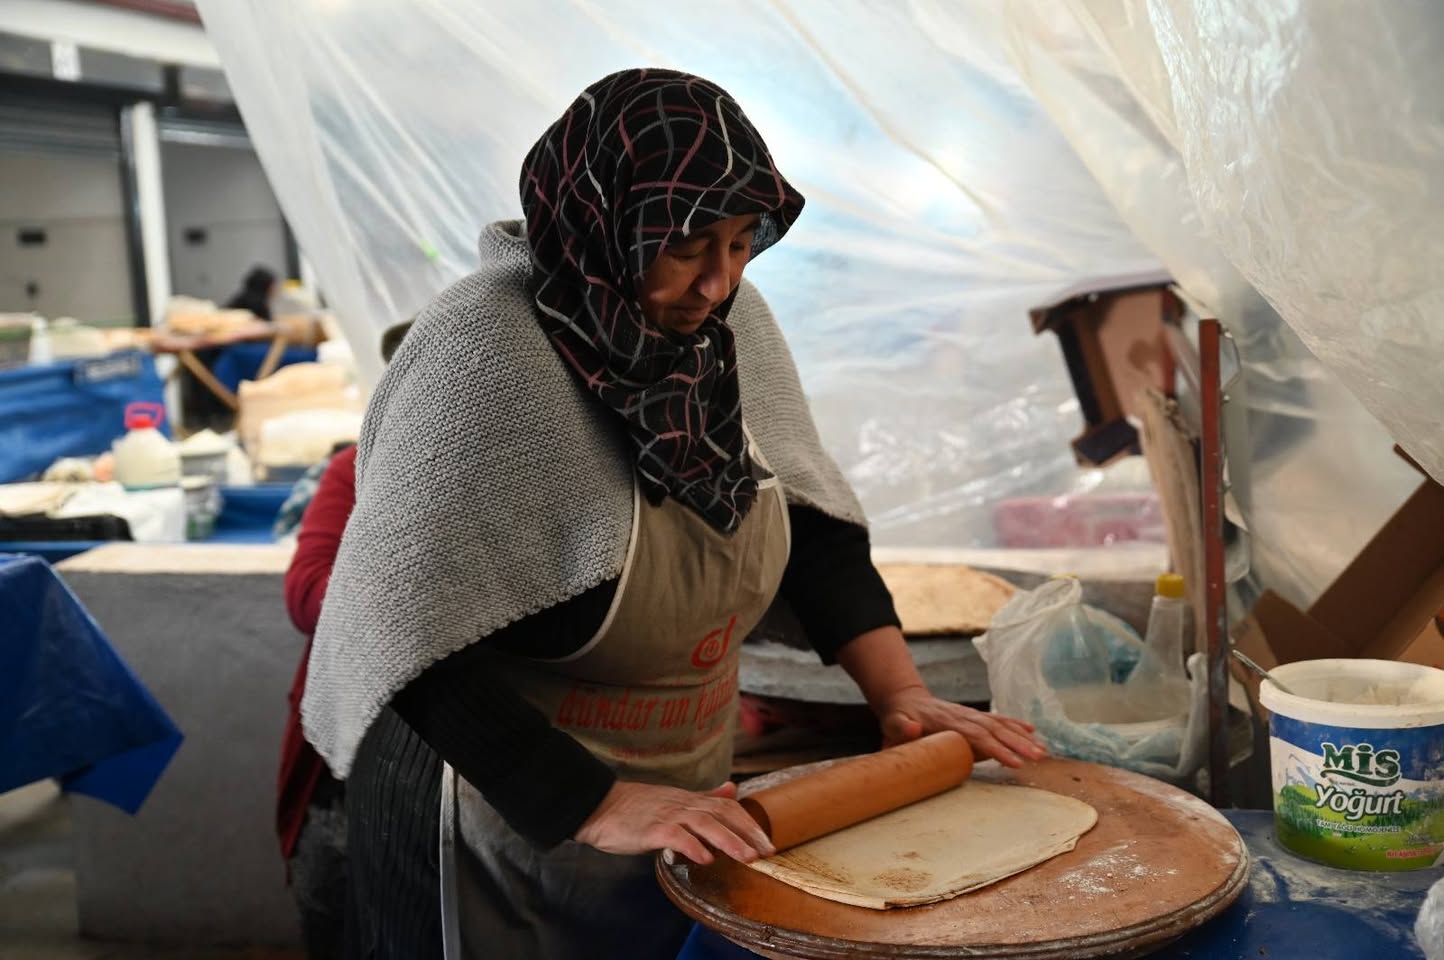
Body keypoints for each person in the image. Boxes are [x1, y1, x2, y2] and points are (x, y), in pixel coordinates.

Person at [302, 68, 1045, 960]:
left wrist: (902, 695)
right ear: (606, 219)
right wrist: (597, 803)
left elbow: (807, 522)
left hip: (683, 791)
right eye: (690, 245)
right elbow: (399, 627)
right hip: (489, 800)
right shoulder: (485, 352)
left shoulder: (728, 331)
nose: (718, 284)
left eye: (742, 245)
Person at [277, 322, 412, 959]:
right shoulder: (356, 470)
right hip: (347, 771)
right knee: (340, 922)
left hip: (461, 785)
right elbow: (308, 595)